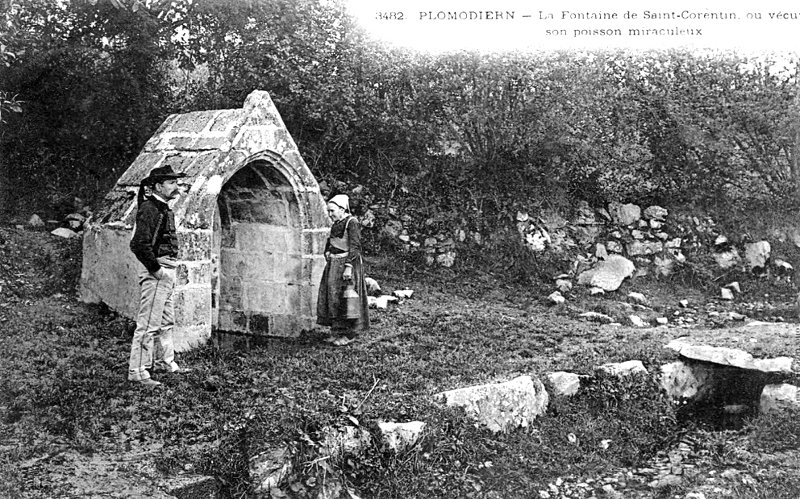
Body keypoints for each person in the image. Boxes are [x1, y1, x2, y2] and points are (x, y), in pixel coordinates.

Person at [127, 165, 189, 387]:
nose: (176, 186)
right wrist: (158, 271)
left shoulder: (163, 208)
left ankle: (165, 362)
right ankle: (138, 371)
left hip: (166, 272)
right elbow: (139, 244)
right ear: (158, 186)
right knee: (148, 324)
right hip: (158, 273)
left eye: (175, 182)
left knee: (165, 321)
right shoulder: (150, 209)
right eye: (171, 183)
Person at [317, 194, 370, 346]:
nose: (330, 214)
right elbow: (331, 240)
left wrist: (348, 267)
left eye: (332, 211)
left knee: (346, 298)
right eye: (328, 211)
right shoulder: (336, 223)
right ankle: (336, 332)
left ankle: (348, 334)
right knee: (332, 297)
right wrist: (327, 251)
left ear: (342, 209)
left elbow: (355, 246)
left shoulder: (351, 223)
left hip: (347, 265)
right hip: (334, 264)